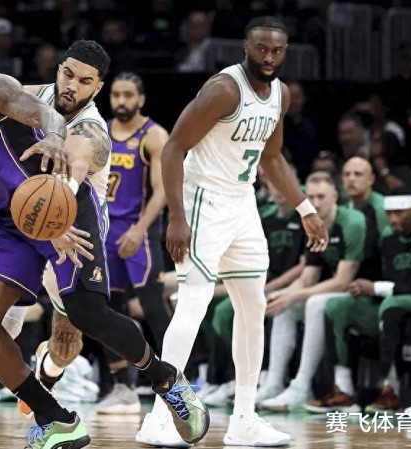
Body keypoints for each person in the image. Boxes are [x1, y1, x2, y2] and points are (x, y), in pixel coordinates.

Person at [0, 28, 202, 449]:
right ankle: (52, 418)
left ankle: (166, 380)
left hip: (62, 209)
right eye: (68, 74)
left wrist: (55, 159)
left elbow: (56, 130)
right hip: (7, 218)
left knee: (84, 319)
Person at [156, 17, 328, 447]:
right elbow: (173, 148)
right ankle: (161, 416)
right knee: (193, 303)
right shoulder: (224, 89)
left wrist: (305, 207)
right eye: (261, 49)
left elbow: (272, 159)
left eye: (277, 50)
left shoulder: (281, 94)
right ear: (246, 47)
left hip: (242, 202)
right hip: (203, 200)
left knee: (253, 307)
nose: (269, 57)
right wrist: (177, 216)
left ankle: (245, 418)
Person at [0, 39, 116, 444]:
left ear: (97, 88)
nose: (72, 85)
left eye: (84, 81)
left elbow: (70, 174)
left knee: (66, 344)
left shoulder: (92, 130)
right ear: (58, 69)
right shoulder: (31, 98)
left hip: (73, 237)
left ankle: (48, 371)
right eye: (67, 74)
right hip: (28, 223)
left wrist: (51, 220)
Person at [308, 188, 411, 413]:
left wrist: (377, 288)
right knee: (336, 306)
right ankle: (343, 390)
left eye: (400, 213)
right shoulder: (388, 236)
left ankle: (391, 391)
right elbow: (382, 276)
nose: (393, 219)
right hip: (388, 301)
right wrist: (364, 287)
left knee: (391, 304)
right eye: (389, 213)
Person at [95, 72, 171, 414]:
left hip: (138, 231)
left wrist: (139, 230)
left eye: (128, 95)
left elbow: (163, 190)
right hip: (105, 232)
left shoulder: (153, 135)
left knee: (153, 307)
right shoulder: (100, 131)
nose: (121, 101)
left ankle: (178, 379)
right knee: (107, 311)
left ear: (141, 99)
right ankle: (123, 388)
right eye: (116, 95)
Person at [259, 173, 365, 411]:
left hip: (363, 291)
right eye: (311, 197)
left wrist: (293, 295)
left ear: (335, 196)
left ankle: (301, 385)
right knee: (284, 305)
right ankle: (273, 383)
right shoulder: (313, 225)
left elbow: (342, 280)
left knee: (314, 303)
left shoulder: (352, 223)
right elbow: (309, 275)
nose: (315, 203)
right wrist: (285, 295)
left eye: (321, 197)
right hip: (334, 291)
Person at [204, 176, 307, 407]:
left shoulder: (302, 218)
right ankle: (225, 379)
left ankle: (262, 377)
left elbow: (304, 266)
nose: (278, 189)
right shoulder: (266, 219)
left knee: (248, 309)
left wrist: (268, 287)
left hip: (289, 286)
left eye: (282, 183)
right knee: (220, 309)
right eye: (273, 184)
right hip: (264, 282)